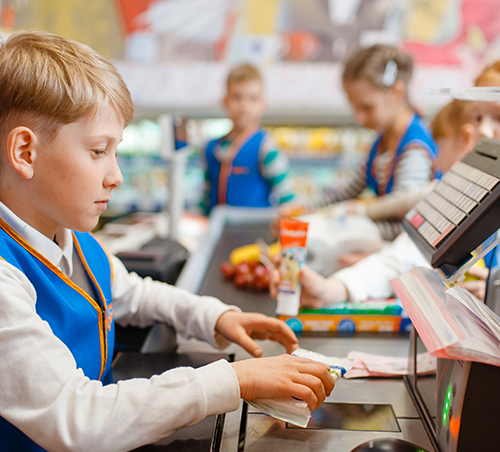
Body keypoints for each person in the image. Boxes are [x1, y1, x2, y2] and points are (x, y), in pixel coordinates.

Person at [0, 31, 335, 452]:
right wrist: (232, 380)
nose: (115, 176)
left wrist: (215, 316)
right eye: (98, 151)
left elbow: (132, 294)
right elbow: (77, 419)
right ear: (25, 152)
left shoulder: (71, 239)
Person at [271, 94, 496, 308]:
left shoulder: (414, 148)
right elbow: (407, 253)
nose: (483, 131)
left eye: (497, 117)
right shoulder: (455, 193)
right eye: (478, 118)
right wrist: (334, 289)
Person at [278, 44, 442, 241]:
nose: (359, 118)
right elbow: (348, 190)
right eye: (354, 107)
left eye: (367, 107)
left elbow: (406, 225)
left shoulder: (414, 148)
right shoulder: (383, 140)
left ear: (396, 92)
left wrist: (337, 226)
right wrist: (304, 208)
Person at [202, 63, 293, 214]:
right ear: (225, 101)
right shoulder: (211, 148)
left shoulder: (267, 150)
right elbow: (206, 196)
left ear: (263, 104)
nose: (244, 105)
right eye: (237, 97)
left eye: (253, 98)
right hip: (215, 230)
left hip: (255, 232)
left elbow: (286, 198)